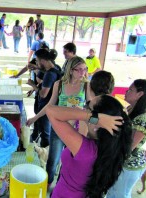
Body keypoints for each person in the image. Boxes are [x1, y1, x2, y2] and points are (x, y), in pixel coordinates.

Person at [46, 94, 133, 197]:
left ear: (99, 121)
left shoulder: (84, 149)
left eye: (88, 109)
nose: (84, 110)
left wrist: (94, 118)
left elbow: (50, 110)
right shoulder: (112, 148)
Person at [27, 56, 92, 186]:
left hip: (76, 130)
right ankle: (47, 185)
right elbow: (50, 105)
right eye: (79, 70)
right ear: (70, 70)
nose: (82, 73)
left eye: (85, 69)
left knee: (68, 161)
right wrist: (35, 118)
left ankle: (60, 186)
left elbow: (90, 106)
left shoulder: (86, 85)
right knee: (53, 160)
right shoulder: (59, 84)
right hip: (58, 127)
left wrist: (83, 109)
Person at [106, 79, 146, 198]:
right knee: (112, 193)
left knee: (120, 194)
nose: (126, 92)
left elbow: (128, 147)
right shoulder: (130, 110)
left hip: (129, 166)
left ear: (140, 94)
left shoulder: (143, 119)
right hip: (119, 162)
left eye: (130, 90)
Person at [27, 49, 62, 147]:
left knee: (45, 134)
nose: (37, 64)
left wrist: (33, 85)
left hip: (46, 108)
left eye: (37, 61)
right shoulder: (56, 68)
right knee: (45, 132)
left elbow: (43, 94)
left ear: (42, 60)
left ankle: (44, 155)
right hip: (51, 107)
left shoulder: (49, 75)